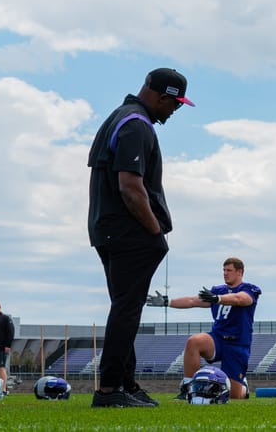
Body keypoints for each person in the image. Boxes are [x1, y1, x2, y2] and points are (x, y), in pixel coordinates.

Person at [87, 67, 194, 408]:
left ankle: (125, 384)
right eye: (175, 104)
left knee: (126, 308)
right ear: (161, 97)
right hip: (128, 232)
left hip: (108, 229)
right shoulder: (137, 124)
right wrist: (154, 230)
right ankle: (109, 390)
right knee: (127, 309)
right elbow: (130, 187)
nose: (174, 111)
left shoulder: (121, 117)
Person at [146, 257, 261, 400]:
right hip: (217, 338)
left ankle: (244, 387)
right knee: (194, 341)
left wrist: (218, 298)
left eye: (229, 270)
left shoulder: (248, 289)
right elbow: (192, 301)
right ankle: (187, 388)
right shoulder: (218, 290)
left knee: (235, 395)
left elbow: (240, 299)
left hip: (237, 343)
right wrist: (167, 302)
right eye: (224, 270)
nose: (225, 273)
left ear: (240, 272)